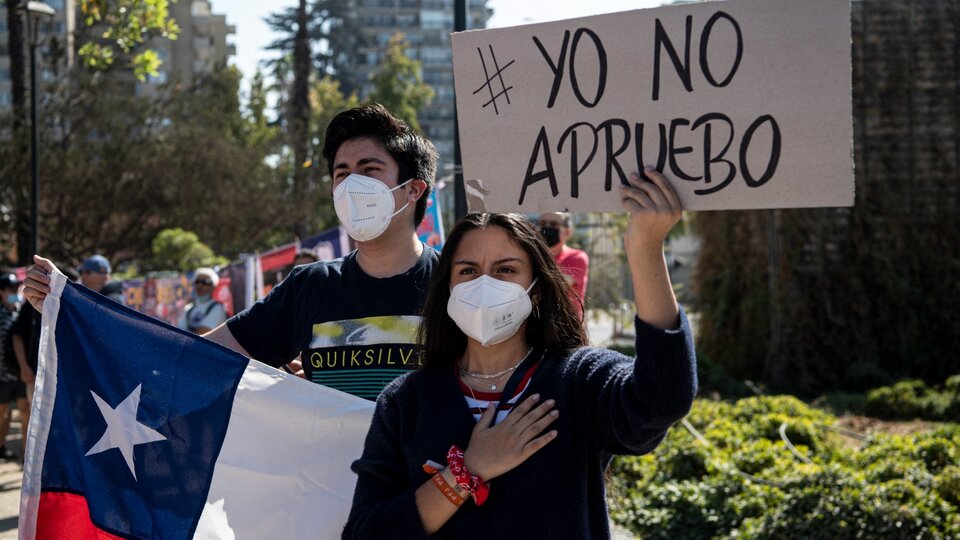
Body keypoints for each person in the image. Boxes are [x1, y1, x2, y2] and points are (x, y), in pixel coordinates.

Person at [344, 170, 697, 539]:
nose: (485, 284)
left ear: (536, 291)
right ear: (447, 288)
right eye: (468, 271)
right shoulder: (406, 402)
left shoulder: (578, 380)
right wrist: (466, 471)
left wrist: (645, 247)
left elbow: (662, 397)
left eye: (506, 270)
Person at [23, 104, 439, 401]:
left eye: (369, 170)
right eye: (341, 174)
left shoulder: (454, 282)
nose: (351, 186)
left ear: (413, 189)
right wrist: (79, 314)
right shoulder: (311, 287)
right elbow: (197, 359)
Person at [538, 212, 590, 320]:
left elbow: (556, 285)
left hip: (567, 329)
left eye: (553, 224)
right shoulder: (533, 256)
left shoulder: (577, 257)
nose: (546, 228)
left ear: (567, 231)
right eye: (543, 224)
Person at [0, 273, 29, 460]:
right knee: (2, 413)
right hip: (1, 376)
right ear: (1, 292)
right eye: (11, 289)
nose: (15, 292)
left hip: (19, 373)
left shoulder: (21, 312)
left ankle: (28, 453)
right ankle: (1, 446)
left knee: (24, 411)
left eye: (17, 288)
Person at [178, 268, 228, 335]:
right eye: (197, 282)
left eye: (205, 282)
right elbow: (179, 332)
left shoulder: (217, 308)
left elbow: (204, 332)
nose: (200, 286)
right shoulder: (189, 308)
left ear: (214, 286)